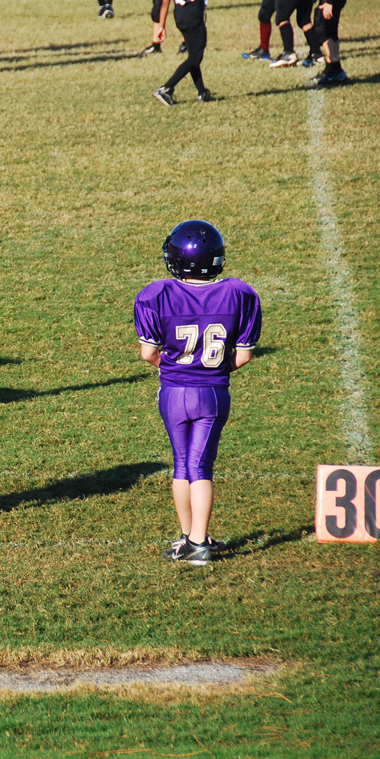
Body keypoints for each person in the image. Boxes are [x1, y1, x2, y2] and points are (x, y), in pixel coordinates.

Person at [134, 220, 261, 565]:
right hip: (213, 393)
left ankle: (193, 539)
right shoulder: (239, 293)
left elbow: (149, 353)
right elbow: (245, 355)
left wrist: (173, 368)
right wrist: (213, 371)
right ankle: (196, 540)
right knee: (201, 466)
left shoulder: (156, 294)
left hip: (174, 392)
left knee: (182, 465)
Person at [152, 0, 217, 106]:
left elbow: (164, 1)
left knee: (193, 54)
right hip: (194, 14)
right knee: (195, 57)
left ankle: (202, 92)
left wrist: (161, 25)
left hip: (179, 15)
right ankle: (166, 88)